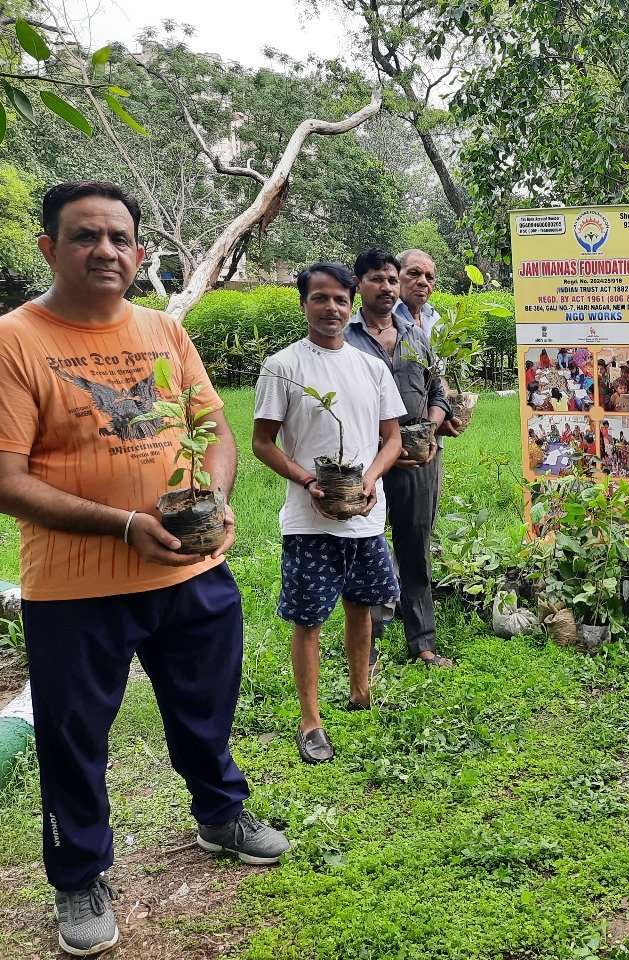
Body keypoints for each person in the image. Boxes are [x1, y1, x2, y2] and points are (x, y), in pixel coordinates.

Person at [0, 180, 288, 957]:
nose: (106, 250)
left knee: (206, 707)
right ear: (49, 248)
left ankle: (220, 813)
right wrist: (126, 525)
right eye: (86, 236)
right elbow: (6, 477)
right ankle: (79, 876)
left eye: (120, 238)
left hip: (192, 571)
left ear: (139, 251)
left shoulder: (164, 330)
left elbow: (213, 427)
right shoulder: (16, 340)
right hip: (76, 589)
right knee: (73, 737)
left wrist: (217, 495)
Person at [252, 262, 406, 765]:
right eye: (320, 298)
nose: (331, 308)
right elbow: (262, 443)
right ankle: (310, 719)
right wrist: (308, 480)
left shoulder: (371, 366)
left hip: (364, 514)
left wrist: (371, 478)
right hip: (309, 519)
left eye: (340, 299)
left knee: (362, 607)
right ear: (304, 305)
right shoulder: (284, 366)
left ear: (351, 303)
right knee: (308, 620)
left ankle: (361, 692)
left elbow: (393, 439)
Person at [345, 248, 455, 669]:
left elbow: (438, 393)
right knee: (365, 548)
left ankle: (423, 642)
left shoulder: (417, 338)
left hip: (417, 460)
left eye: (392, 280)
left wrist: (426, 432)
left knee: (415, 547)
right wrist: (385, 443)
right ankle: (366, 643)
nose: (387, 287)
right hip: (364, 461)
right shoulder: (346, 338)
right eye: (377, 279)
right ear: (359, 284)